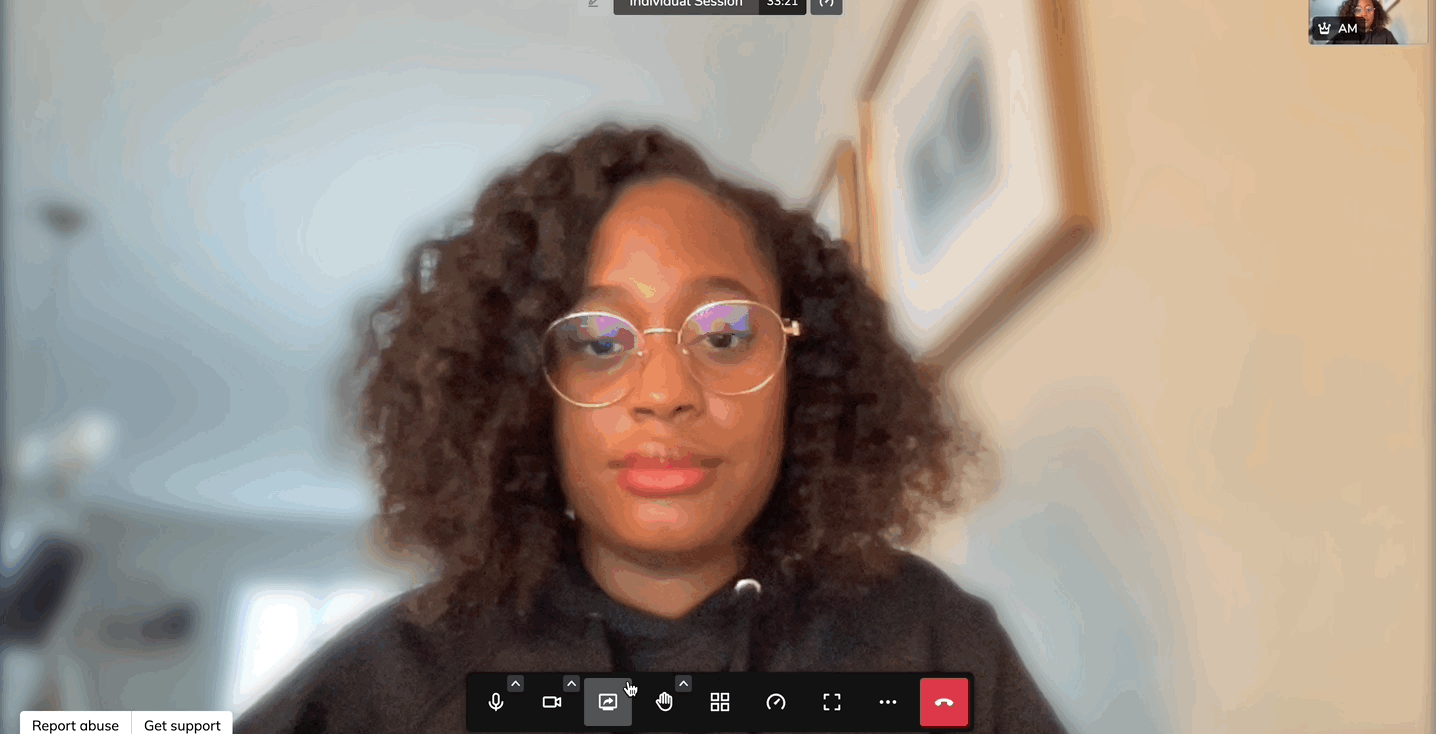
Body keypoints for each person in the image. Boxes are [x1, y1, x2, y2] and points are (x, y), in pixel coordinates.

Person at [233, 124, 1070, 733]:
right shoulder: (398, 684)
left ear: (806, 373)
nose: (665, 392)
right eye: (599, 342)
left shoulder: (932, 645)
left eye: (725, 335)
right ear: (523, 392)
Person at [1331, 0, 1399, 44]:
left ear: (1375, 13)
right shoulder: (1341, 38)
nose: (1364, 14)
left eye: (1369, 9)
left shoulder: (1386, 36)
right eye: (1358, 10)